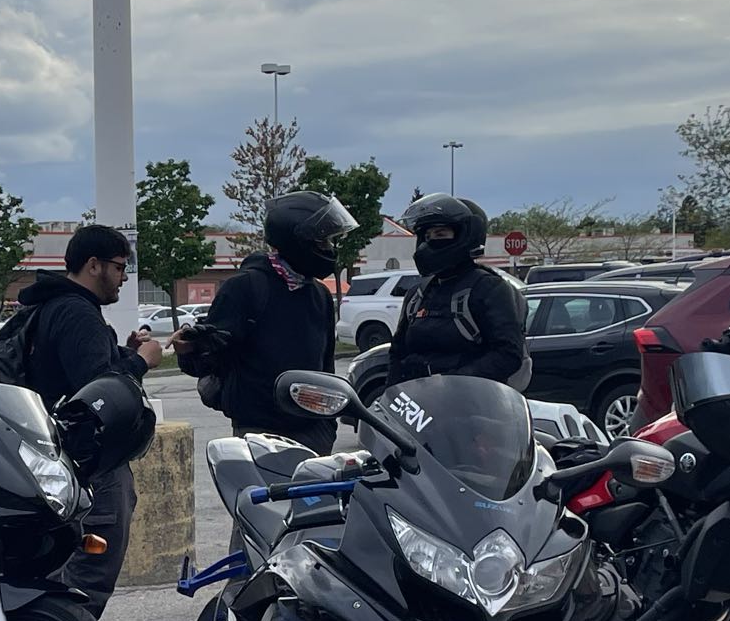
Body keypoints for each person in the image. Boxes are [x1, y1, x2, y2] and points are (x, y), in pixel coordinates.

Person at [0, 222, 164, 621]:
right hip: (84, 462)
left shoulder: (48, 305)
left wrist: (122, 353)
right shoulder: (77, 312)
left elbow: (73, 371)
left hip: (44, 456)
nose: (123, 277)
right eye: (120, 267)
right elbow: (98, 394)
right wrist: (141, 362)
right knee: (92, 564)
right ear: (94, 265)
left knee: (56, 564)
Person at [176, 190, 350, 454]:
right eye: (322, 241)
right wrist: (190, 348)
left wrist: (327, 426)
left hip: (314, 432)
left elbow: (326, 367)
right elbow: (210, 358)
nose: (328, 249)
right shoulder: (245, 287)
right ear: (297, 240)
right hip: (260, 432)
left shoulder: (319, 295)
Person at [385, 193, 528, 388]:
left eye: (440, 234)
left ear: (466, 235)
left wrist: (450, 381)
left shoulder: (488, 288)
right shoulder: (417, 295)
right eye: (427, 236)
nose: (430, 242)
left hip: (473, 405)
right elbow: (397, 353)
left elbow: (508, 354)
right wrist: (390, 396)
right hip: (419, 405)